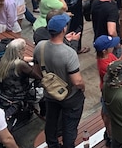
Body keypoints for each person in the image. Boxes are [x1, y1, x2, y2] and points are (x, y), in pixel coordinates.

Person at [34, 14, 85, 148]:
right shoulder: (69, 53)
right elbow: (77, 81)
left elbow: (37, 71)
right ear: (63, 29)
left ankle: (52, 144)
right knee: (69, 126)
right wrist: (82, 87)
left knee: (51, 121)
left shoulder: (40, 46)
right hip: (70, 96)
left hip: (50, 93)